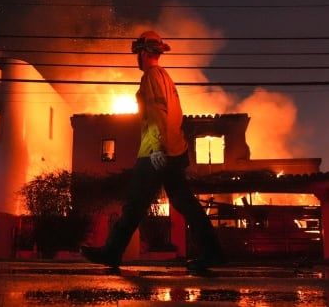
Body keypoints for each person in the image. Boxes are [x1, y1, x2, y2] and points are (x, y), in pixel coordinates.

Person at [80, 31, 225, 271]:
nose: (137, 57)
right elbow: (174, 116)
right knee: (184, 202)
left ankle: (112, 252)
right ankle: (213, 252)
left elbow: (158, 113)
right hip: (173, 150)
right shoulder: (165, 77)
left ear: (145, 52)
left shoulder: (151, 76)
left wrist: (157, 148)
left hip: (155, 153)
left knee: (135, 203)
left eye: (138, 53)